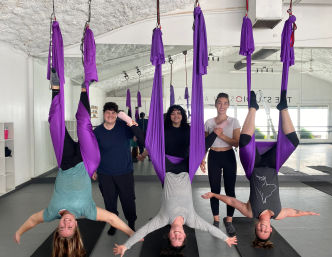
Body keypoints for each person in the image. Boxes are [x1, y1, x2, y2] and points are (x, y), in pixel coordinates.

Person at [14, 69, 134, 256]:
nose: (66, 223)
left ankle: (55, 88)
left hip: (66, 161)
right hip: (88, 162)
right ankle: (85, 88)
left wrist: (20, 231)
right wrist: (131, 233)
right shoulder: (88, 211)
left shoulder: (51, 212)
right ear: (76, 225)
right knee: (83, 123)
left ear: (58, 226)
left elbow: (32, 220)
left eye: (62, 227)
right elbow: (111, 218)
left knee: (55, 123)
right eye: (70, 227)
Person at [113, 105, 237, 257]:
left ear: (169, 235)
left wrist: (126, 246)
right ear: (185, 235)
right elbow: (210, 229)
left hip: (168, 171)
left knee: (150, 146)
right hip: (185, 170)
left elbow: (144, 230)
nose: (177, 235)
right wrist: (226, 238)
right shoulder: (192, 220)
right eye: (180, 238)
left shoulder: (163, 219)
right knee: (199, 151)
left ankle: (130, 123)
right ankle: (217, 132)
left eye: (174, 238)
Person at [202, 91, 319, 249]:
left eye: (259, 230)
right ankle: (283, 108)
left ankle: (253, 108)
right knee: (293, 141)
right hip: (272, 165)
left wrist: (213, 194)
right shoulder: (279, 214)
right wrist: (308, 213)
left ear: (256, 227)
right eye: (265, 231)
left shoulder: (250, 213)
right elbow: (294, 212)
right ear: (270, 229)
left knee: (244, 142)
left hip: (253, 165)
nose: (262, 228)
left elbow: (232, 200)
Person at [93, 102, 138, 235]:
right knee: (109, 202)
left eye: (113, 113)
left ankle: (131, 223)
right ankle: (113, 223)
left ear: (117, 115)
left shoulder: (123, 127)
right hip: (105, 174)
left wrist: (129, 120)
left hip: (124, 172)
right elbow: (93, 152)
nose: (110, 115)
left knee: (128, 201)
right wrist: (93, 169)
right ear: (103, 114)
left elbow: (137, 134)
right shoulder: (97, 132)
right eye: (108, 112)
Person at [201, 93, 240, 236]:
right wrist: (202, 159)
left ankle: (229, 220)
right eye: (219, 103)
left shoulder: (234, 121)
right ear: (215, 104)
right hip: (214, 157)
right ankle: (216, 220)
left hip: (228, 155)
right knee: (214, 190)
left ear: (228, 105)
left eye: (225, 103)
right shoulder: (209, 122)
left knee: (230, 190)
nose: (222, 106)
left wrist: (220, 134)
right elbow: (205, 144)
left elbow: (237, 142)